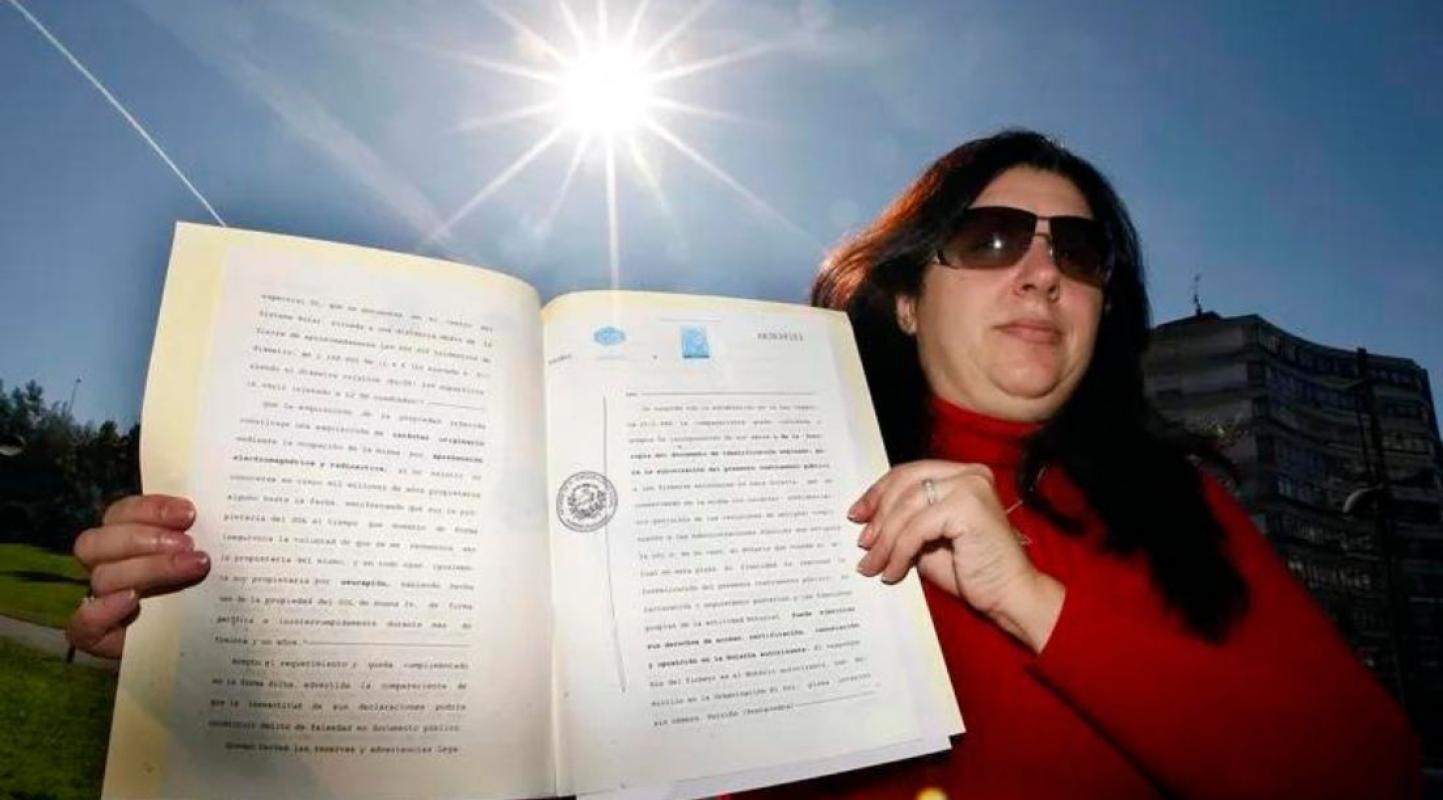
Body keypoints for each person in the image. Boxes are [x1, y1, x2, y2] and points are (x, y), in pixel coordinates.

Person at [69, 130, 1419, 797]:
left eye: (1080, 251)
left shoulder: (1182, 511)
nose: (1042, 270)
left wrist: (1034, 599)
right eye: (993, 238)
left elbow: (1364, 771)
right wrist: (223, 645)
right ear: (908, 295)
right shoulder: (756, 466)